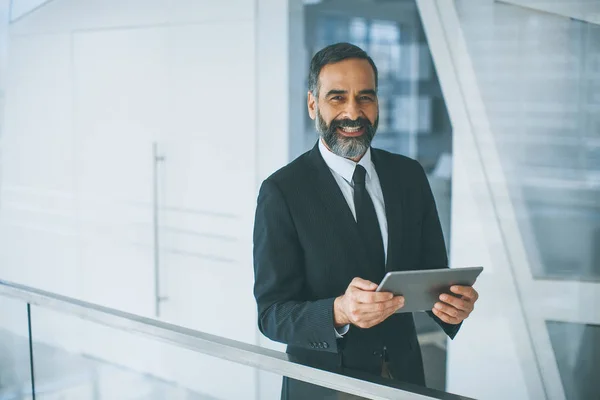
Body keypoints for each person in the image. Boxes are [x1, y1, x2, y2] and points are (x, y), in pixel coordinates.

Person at [253, 42, 479, 398]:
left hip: (404, 380)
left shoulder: (409, 175)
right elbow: (271, 314)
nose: (353, 112)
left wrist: (453, 307)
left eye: (366, 98)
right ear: (313, 104)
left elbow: (432, 275)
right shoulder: (282, 191)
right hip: (325, 385)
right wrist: (339, 311)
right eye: (337, 98)